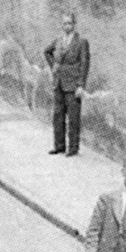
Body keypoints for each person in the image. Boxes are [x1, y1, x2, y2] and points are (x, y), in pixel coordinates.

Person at [43, 12, 90, 156]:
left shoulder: (81, 42)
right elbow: (47, 52)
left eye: (69, 23)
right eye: (64, 23)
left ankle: (73, 147)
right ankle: (59, 145)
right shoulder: (58, 40)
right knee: (58, 115)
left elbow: (84, 64)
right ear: (61, 25)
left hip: (72, 84)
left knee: (73, 117)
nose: (67, 26)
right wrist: (54, 67)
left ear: (74, 25)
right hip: (59, 83)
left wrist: (80, 84)